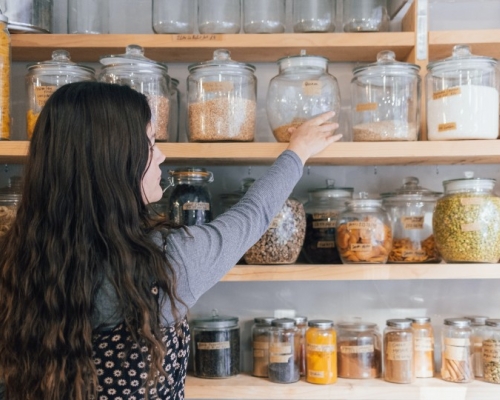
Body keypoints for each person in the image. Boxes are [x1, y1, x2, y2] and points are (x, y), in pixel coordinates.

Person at [0, 81, 341, 400]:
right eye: (150, 144)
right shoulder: (165, 263)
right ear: (116, 161)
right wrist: (298, 152)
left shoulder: (16, 258)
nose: (161, 155)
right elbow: (251, 217)